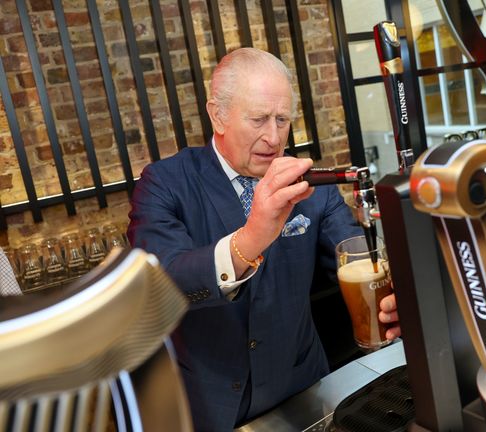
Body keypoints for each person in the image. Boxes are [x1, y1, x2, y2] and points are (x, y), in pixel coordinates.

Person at [127, 48, 400, 430]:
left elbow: (354, 252)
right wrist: (254, 235)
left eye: (282, 120)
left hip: (304, 389)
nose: (273, 138)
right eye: (258, 119)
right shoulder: (165, 183)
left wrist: (392, 291)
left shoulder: (309, 185)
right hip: (209, 407)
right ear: (217, 114)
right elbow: (164, 283)